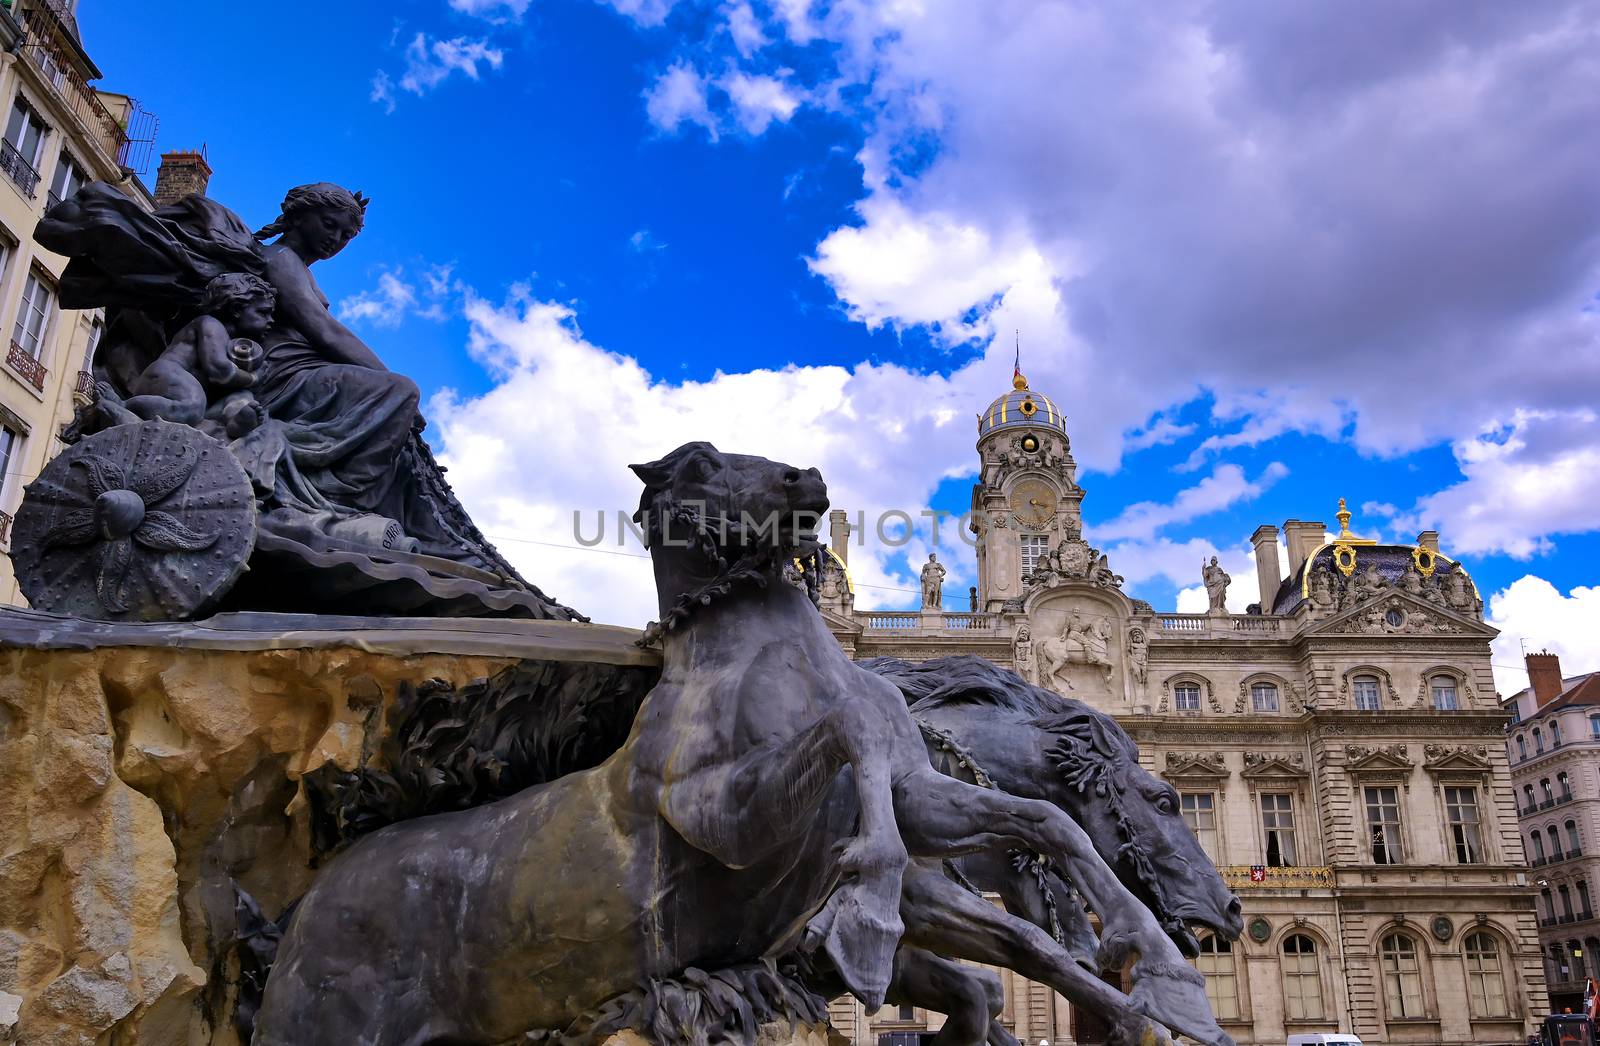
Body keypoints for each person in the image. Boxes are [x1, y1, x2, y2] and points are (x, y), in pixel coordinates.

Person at [113, 273, 274, 426]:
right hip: (166, 374)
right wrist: (254, 377)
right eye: (263, 312)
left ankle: (236, 419)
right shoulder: (210, 324)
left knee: (242, 396)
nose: (271, 320)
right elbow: (220, 371)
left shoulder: (228, 341)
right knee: (193, 405)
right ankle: (124, 405)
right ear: (237, 309)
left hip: (188, 390)